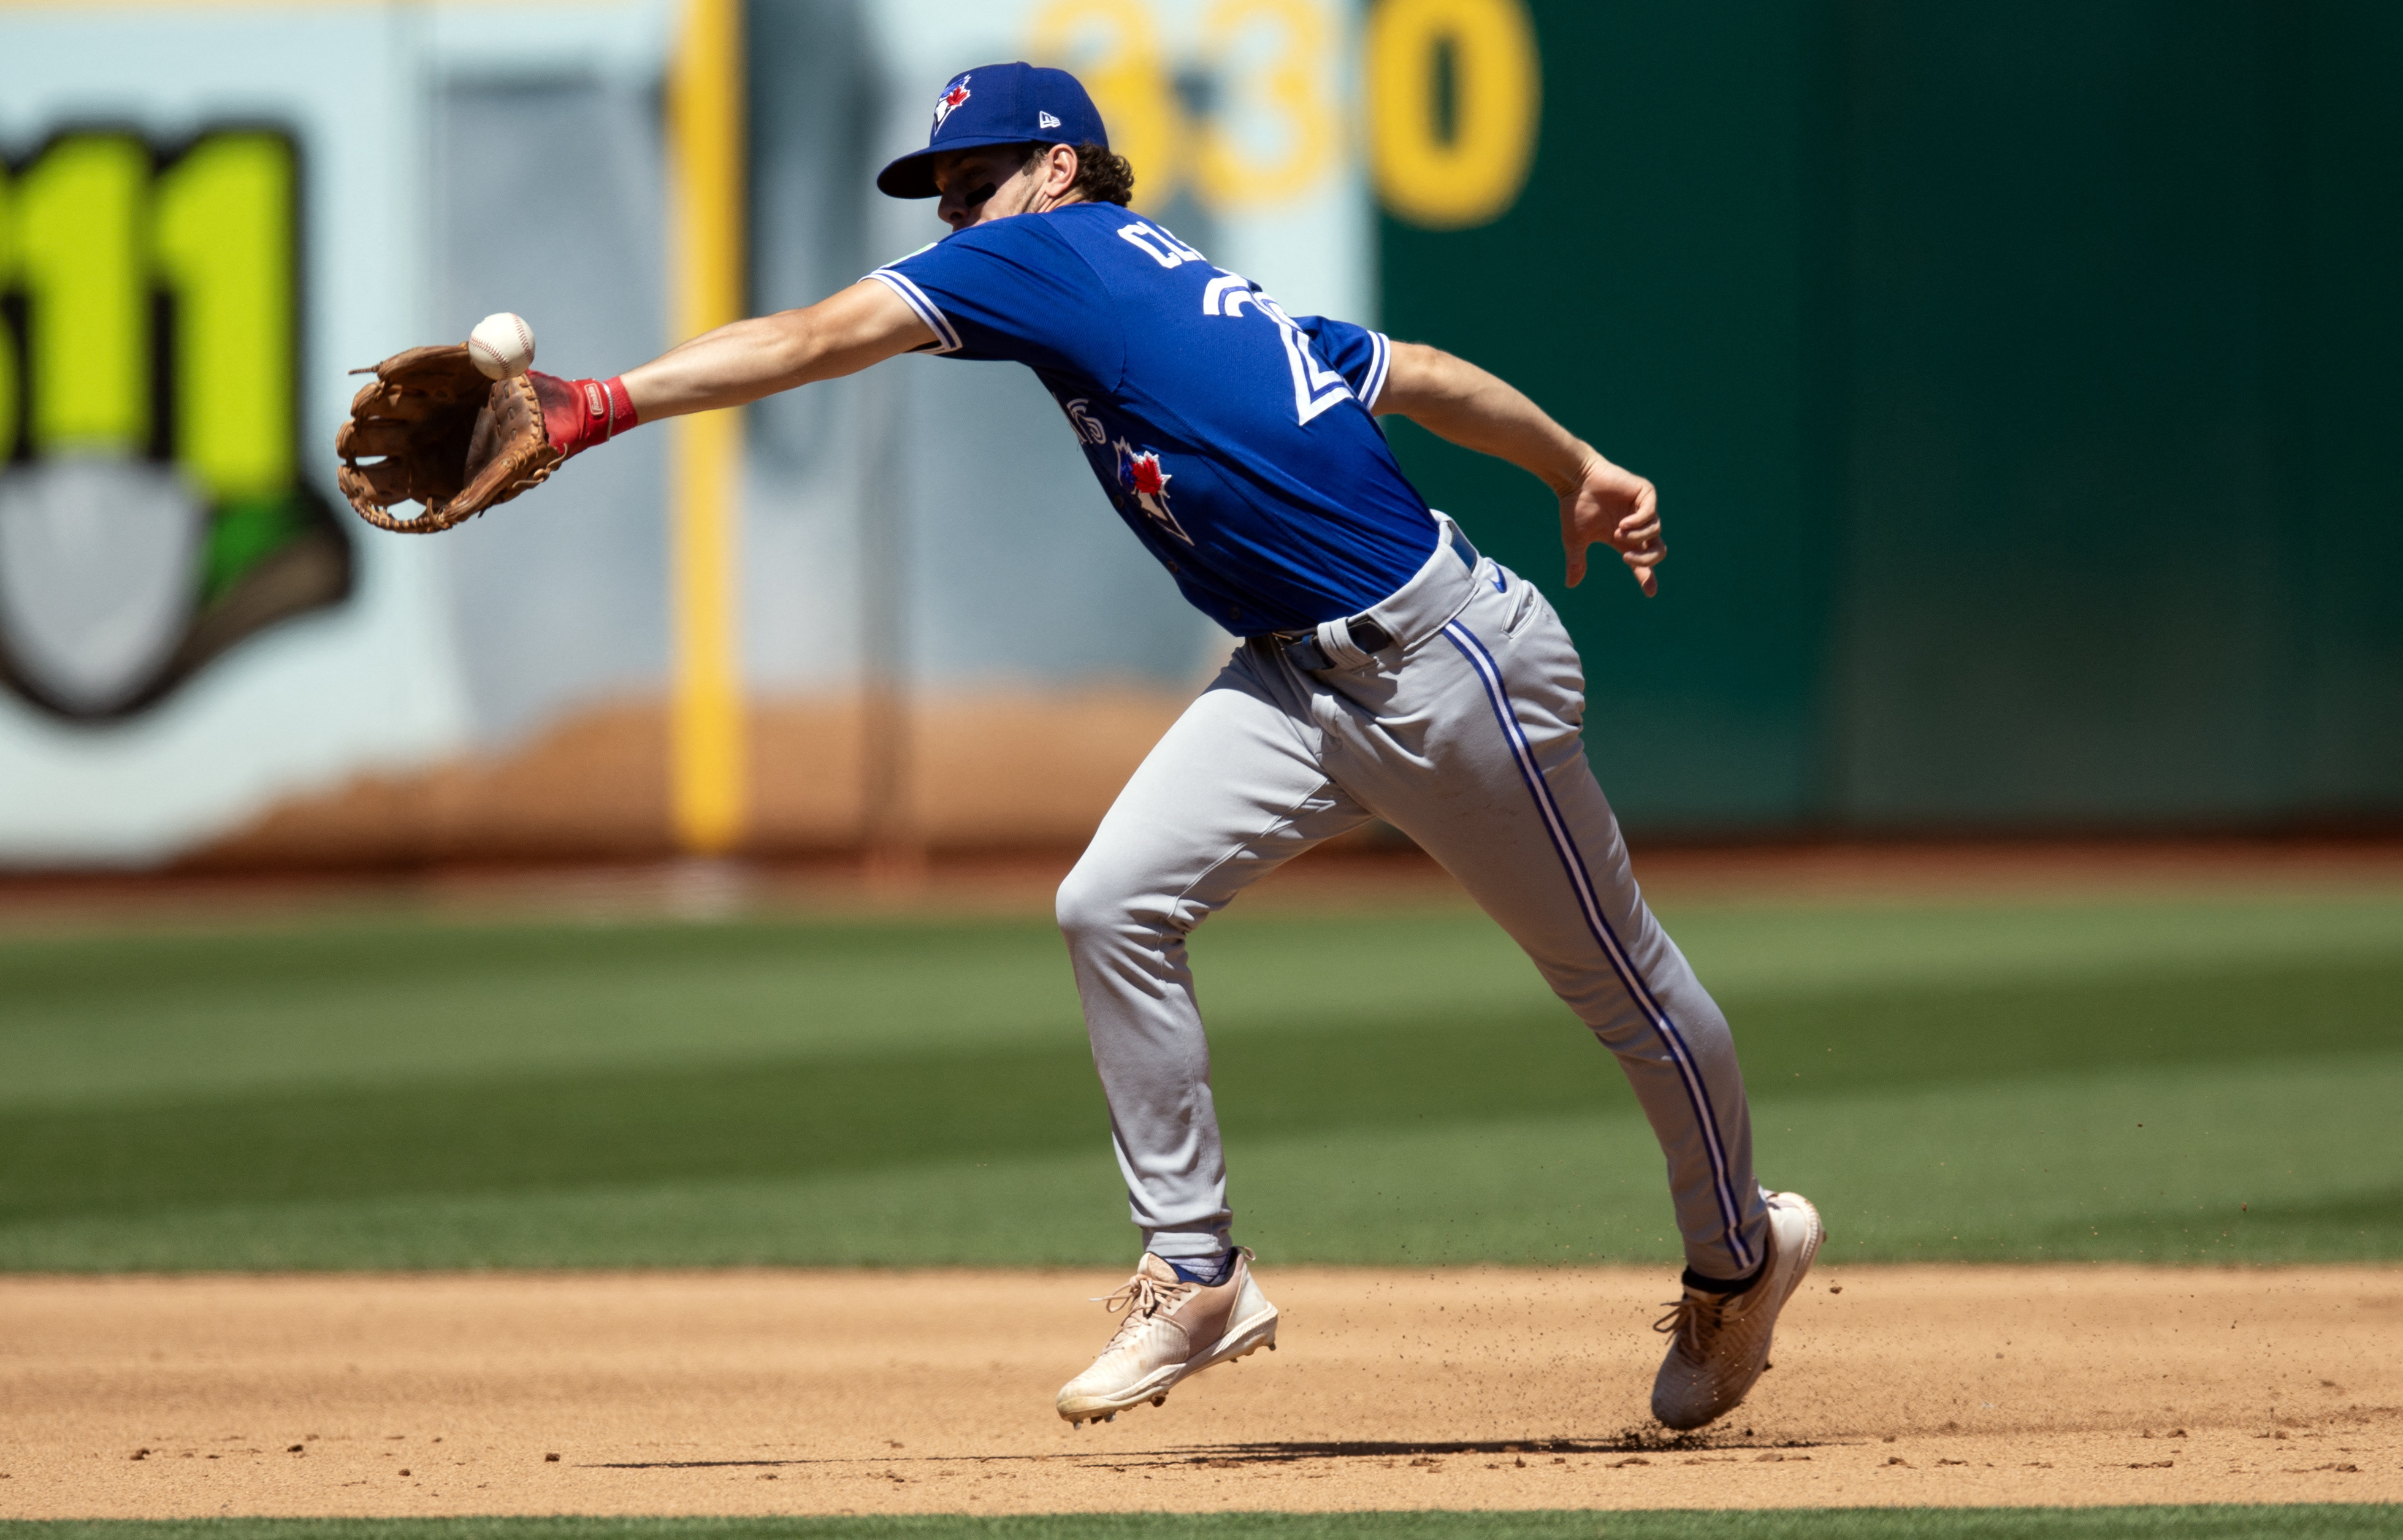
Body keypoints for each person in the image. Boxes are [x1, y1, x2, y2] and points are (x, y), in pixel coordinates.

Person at [484, 62, 1819, 1433]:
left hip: (1444, 667)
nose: (957, 215)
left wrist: (597, 403)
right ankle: (1196, 1272)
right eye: (943, 192)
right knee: (1109, 901)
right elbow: (1404, 373)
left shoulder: (1052, 254)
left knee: (1621, 985)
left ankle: (1738, 1254)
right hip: (1291, 681)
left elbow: (825, 331)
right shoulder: (1169, 285)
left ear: (1058, 169)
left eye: (976, 179)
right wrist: (1572, 464)